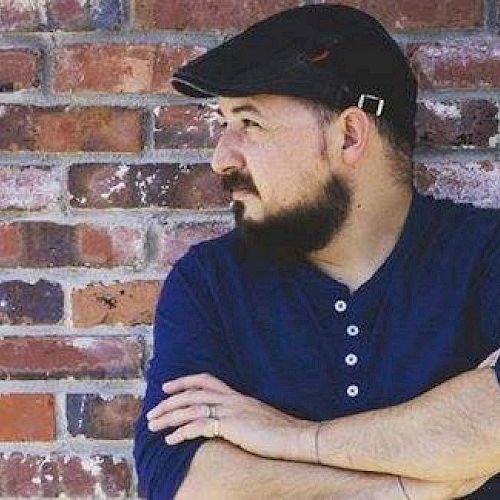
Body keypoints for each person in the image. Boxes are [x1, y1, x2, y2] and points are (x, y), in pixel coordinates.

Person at [134, 5, 500, 499]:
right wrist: (403, 490)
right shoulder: (210, 284)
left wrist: (289, 438)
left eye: (250, 124)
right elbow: (188, 485)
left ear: (350, 134)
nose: (221, 158)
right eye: (222, 122)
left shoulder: (485, 254)